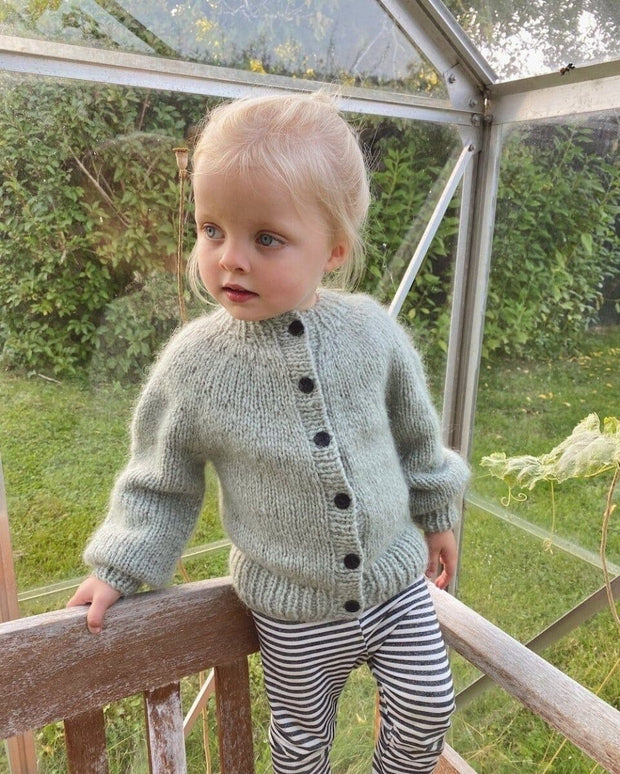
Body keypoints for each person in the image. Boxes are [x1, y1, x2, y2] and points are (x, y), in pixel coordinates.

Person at [68, 91, 470, 774]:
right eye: (211, 230)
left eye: (266, 238)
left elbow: (415, 434)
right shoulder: (195, 366)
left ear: (334, 248)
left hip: (396, 583)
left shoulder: (372, 333)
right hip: (293, 613)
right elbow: (160, 479)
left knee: (429, 705)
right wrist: (120, 566)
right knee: (301, 743)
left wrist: (435, 513)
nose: (231, 258)